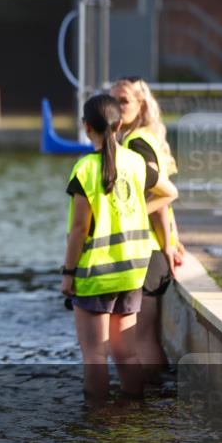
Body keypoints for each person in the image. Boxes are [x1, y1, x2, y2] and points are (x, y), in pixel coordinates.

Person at [60, 94, 177, 404]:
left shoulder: (84, 169)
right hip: (132, 271)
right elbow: (169, 191)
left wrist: (68, 274)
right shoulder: (136, 163)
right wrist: (137, 211)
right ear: (120, 124)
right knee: (126, 353)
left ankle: (97, 421)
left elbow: (79, 230)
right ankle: (134, 412)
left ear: (87, 127)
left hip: (96, 272)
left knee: (95, 355)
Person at [111, 76, 183, 380]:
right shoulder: (144, 137)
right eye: (112, 100)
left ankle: (158, 406)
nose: (117, 106)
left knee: (143, 340)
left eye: (124, 101)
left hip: (148, 251)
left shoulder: (136, 142)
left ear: (141, 105)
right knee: (145, 339)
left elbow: (160, 195)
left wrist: (166, 243)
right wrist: (172, 239)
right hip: (153, 249)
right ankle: (159, 405)